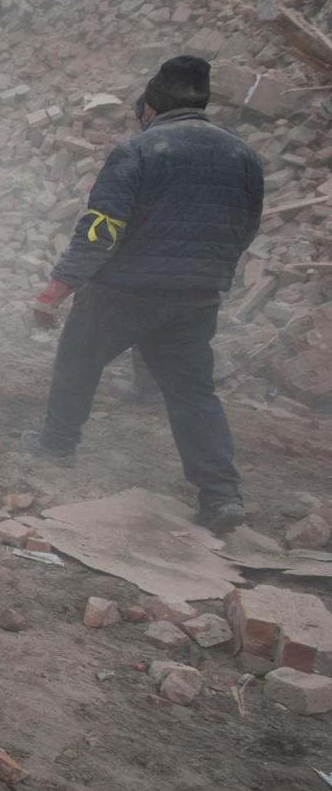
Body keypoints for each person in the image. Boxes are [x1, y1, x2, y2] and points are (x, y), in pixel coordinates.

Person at [21, 57, 262, 534]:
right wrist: (209, 271)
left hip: (125, 290)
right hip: (196, 295)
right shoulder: (243, 156)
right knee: (194, 392)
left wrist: (58, 287)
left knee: (79, 359)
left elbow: (101, 229)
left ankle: (58, 444)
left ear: (149, 106)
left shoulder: (142, 149)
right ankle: (220, 495)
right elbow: (245, 226)